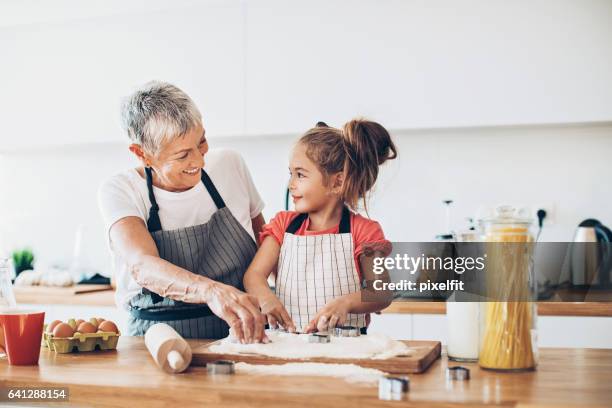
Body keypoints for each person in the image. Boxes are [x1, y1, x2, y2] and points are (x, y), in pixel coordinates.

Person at [98, 81, 267, 342]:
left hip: (241, 334)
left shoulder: (230, 164)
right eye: (182, 155)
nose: (199, 161)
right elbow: (142, 265)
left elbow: (265, 240)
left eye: (202, 142)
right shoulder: (120, 190)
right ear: (142, 154)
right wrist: (211, 292)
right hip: (156, 341)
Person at [244, 119, 396, 334]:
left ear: (337, 182)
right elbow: (254, 276)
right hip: (289, 343)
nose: (291, 184)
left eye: (300, 174)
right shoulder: (283, 225)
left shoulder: (364, 231)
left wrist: (346, 303)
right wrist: (266, 298)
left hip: (347, 346)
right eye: (291, 174)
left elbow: (381, 292)